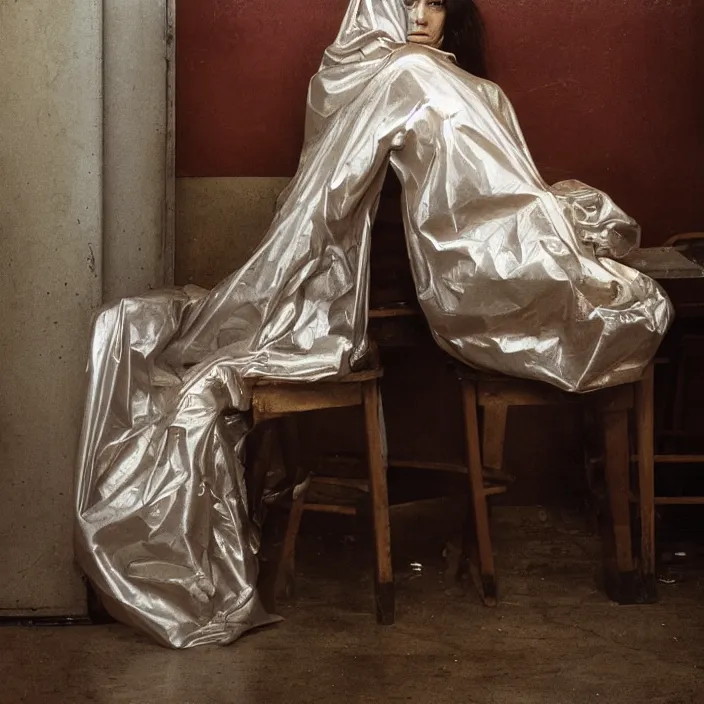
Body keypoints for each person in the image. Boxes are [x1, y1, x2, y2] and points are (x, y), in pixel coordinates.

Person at [75, 0, 671, 648]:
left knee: (612, 295)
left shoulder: (465, 89)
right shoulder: (395, 78)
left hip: (462, 273)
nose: (418, 13)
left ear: (455, 14)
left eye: (434, 1)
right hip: (429, 285)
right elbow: (344, 202)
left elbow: (501, 190)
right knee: (621, 305)